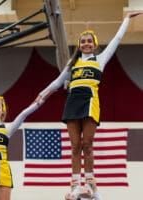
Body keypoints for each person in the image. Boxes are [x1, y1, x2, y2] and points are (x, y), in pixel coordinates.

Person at [36, 12, 142, 199]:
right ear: (79, 44)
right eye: (83, 41)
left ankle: (91, 185)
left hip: (90, 102)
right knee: (75, 146)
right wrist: (42, 93)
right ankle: (76, 185)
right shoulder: (72, 63)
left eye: (89, 41)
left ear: (94, 44)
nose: (86, 43)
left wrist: (126, 19)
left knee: (88, 144)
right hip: (72, 103)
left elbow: (116, 40)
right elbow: (58, 82)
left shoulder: (100, 60)